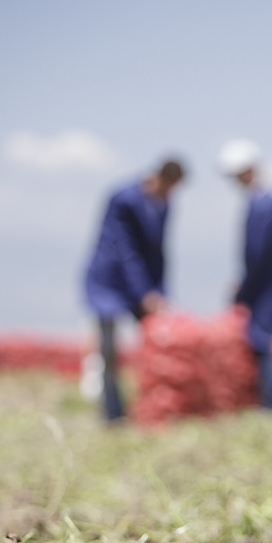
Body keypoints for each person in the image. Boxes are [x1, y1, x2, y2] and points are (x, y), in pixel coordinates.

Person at [83, 158, 185, 422]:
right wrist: (145, 293)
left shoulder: (164, 204)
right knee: (108, 351)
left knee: (155, 343)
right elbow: (127, 252)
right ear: (160, 178)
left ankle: (151, 406)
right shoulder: (124, 199)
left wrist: (159, 291)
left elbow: (158, 252)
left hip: (142, 285)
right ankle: (113, 413)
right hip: (111, 282)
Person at [218, 139, 272, 410]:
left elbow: (257, 254)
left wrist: (244, 287)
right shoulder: (265, 202)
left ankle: (269, 406)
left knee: (262, 345)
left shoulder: (265, 205)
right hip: (267, 288)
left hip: (266, 290)